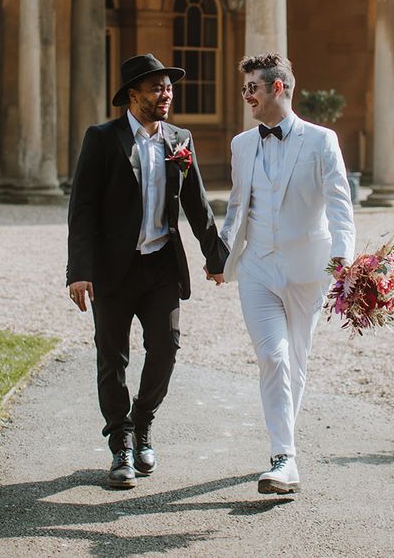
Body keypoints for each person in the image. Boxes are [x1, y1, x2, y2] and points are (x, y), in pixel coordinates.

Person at [67, 53, 227, 489]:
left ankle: (142, 423)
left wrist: (216, 258)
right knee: (112, 358)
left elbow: (197, 203)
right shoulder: (102, 139)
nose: (166, 94)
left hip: (160, 265)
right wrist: (78, 270)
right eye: (157, 87)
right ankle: (119, 442)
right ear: (133, 96)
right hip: (112, 269)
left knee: (166, 347)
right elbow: (81, 209)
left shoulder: (180, 140)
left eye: (169, 87)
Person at [218, 53, 355, 494]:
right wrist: (219, 255)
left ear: (278, 87)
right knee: (273, 357)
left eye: (252, 88)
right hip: (257, 266)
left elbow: (339, 204)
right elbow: (237, 207)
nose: (246, 97)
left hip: (306, 270)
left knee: (296, 360)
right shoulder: (241, 144)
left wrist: (343, 259)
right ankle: (284, 458)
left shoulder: (321, 140)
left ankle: (284, 445)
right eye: (245, 90)